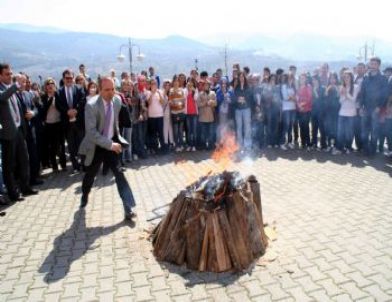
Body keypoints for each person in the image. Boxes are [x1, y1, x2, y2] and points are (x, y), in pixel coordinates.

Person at [78, 77, 136, 220]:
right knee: (90, 176)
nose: (111, 93)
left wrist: (116, 141)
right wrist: (110, 144)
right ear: (99, 89)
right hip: (96, 146)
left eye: (113, 89)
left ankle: (127, 208)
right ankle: (84, 195)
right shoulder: (91, 106)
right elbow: (91, 133)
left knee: (119, 174)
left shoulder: (116, 100)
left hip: (112, 144)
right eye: (107, 90)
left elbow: (117, 121)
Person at [0, 63, 38, 202]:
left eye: (11, 73)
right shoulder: (7, 90)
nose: (10, 76)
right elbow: (2, 97)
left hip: (19, 130)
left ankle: (25, 187)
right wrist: (16, 85)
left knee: (24, 160)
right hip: (7, 133)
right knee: (9, 165)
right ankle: (13, 194)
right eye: (7, 74)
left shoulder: (12, 89)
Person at [358, 57, 389, 156]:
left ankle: (372, 152)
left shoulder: (383, 79)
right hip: (366, 108)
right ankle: (365, 150)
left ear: (378, 65)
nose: (373, 66)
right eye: (371, 64)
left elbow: (385, 95)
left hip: (376, 109)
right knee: (364, 132)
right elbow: (362, 94)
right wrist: (361, 106)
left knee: (374, 132)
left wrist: (379, 107)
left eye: (375, 64)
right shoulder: (366, 78)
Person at [57, 69, 86, 173]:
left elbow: (83, 100)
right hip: (67, 123)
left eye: (70, 78)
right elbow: (58, 105)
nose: (69, 80)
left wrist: (75, 110)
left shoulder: (79, 88)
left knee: (82, 144)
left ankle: (84, 165)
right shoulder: (59, 91)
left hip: (79, 122)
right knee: (71, 146)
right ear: (63, 79)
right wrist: (67, 111)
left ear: (73, 78)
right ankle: (75, 166)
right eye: (67, 78)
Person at [40, 78, 67, 172]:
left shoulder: (58, 95)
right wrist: (50, 99)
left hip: (59, 124)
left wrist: (55, 100)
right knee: (52, 146)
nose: (50, 85)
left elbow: (62, 109)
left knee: (61, 145)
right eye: (48, 84)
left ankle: (63, 165)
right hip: (48, 125)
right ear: (45, 87)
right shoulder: (43, 97)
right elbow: (42, 111)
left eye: (52, 83)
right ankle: (55, 166)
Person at [333, 71, 359, 155]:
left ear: (351, 78)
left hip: (351, 113)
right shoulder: (341, 87)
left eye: (347, 77)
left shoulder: (355, 87)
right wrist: (344, 95)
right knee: (340, 132)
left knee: (349, 132)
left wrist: (346, 93)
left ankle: (348, 147)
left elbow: (354, 100)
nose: (346, 79)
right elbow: (340, 101)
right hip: (342, 112)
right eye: (344, 77)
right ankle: (339, 148)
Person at [234, 72, 253, 152]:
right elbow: (234, 97)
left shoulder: (248, 87)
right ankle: (240, 145)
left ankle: (247, 145)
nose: (241, 78)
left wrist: (244, 99)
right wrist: (238, 99)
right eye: (240, 77)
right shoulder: (236, 87)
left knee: (247, 127)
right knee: (239, 128)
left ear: (244, 78)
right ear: (238, 78)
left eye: (242, 77)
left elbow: (250, 98)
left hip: (246, 109)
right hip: (238, 110)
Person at [146, 79, 165, 153]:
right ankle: (155, 148)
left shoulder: (160, 92)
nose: (154, 85)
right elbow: (149, 103)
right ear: (150, 85)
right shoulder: (148, 93)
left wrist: (158, 93)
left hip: (160, 115)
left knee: (160, 132)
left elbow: (162, 102)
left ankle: (163, 148)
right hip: (151, 116)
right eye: (152, 83)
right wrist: (152, 93)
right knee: (153, 133)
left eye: (155, 83)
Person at [197, 81, 217, 150]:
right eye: (205, 85)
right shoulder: (200, 94)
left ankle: (210, 145)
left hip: (211, 116)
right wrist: (205, 103)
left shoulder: (213, 93)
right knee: (203, 133)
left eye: (207, 85)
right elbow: (198, 104)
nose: (206, 86)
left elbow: (215, 103)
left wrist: (211, 103)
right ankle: (203, 145)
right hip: (202, 117)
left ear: (209, 86)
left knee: (211, 132)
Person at [169, 75, 186, 152]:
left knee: (180, 130)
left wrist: (181, 104)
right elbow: (170, 102)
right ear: (173, 82)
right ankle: (177, 145)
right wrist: (174, 104)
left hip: (181, 112)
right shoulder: (171, 91)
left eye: (177, 81)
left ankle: (181, 145)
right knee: (175, 130)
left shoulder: (181, 90)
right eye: (175, 81)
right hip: (174, 113)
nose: (176, 82)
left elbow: (183, 101)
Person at [280, 74, 297, 150]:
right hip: (286, 109)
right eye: (289, 78)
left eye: (292, 78)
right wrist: (292, 98)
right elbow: (285, 97)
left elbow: (297, 97)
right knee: (286, 125)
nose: (291, 79)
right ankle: (282, 142)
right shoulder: (284, 86)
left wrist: (292, 98)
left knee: (290, 126)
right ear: (287, 78)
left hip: (293, 108)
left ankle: (289, 142)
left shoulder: (294, 87)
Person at [324, 73, 340, 152]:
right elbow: (325, 98)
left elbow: (339, 97)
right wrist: (327, 90)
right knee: (329, 129)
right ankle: (329, 145)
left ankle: (335, 146)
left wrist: (337, 89)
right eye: (331, 78)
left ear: (336, 79)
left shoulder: (339, 87)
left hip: (336, 111)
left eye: (334, 78)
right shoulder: (327, 87)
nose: (332, 80)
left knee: (335, 129)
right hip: (328, 111)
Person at [296, 73, 312, 150]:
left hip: (306, 110)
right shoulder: (298, 87)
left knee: (306, 127)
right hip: (300, 110)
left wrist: (302, 105)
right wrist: (299, 105)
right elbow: (297, 98)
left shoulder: (308, 87)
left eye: (303, 78)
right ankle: (303, 143)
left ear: (306, 79)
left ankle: (308, 144)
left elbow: (309, 98)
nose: (302, 80)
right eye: (301, 78)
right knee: (301, 127)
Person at [310, 76, 326, 150]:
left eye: (315, 80)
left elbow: (320, 99)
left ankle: (323, 145)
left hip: (321, 111)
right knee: (314, 128)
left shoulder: (323, 88)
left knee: (322, 129)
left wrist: (315, 91)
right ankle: (314, 143)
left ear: (318, 80)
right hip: (313, 111)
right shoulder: (311, 88)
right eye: (313, 80)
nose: (314, 82)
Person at [184, 79, 198, 151]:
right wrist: (187, 90)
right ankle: (189, 145)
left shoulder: (195, 91)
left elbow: (196, 99)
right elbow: (183, 98)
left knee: (194, 130)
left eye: (191, 84)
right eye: (188, 84)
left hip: (194, 113)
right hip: (187, 114)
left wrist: (194, 91)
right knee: (189, 130)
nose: (190, 85)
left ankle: (194, 145)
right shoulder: (185, 91)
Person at [162, 80, 174, 151]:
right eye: (166, 85)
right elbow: (162, 104)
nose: (167, 87)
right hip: (165, 112)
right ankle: (166, 143)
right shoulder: (162, 93)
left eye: (169, 85)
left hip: (171, 112)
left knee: (171, 127)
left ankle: (171, 142)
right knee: (165, 128)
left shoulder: (170, 93)